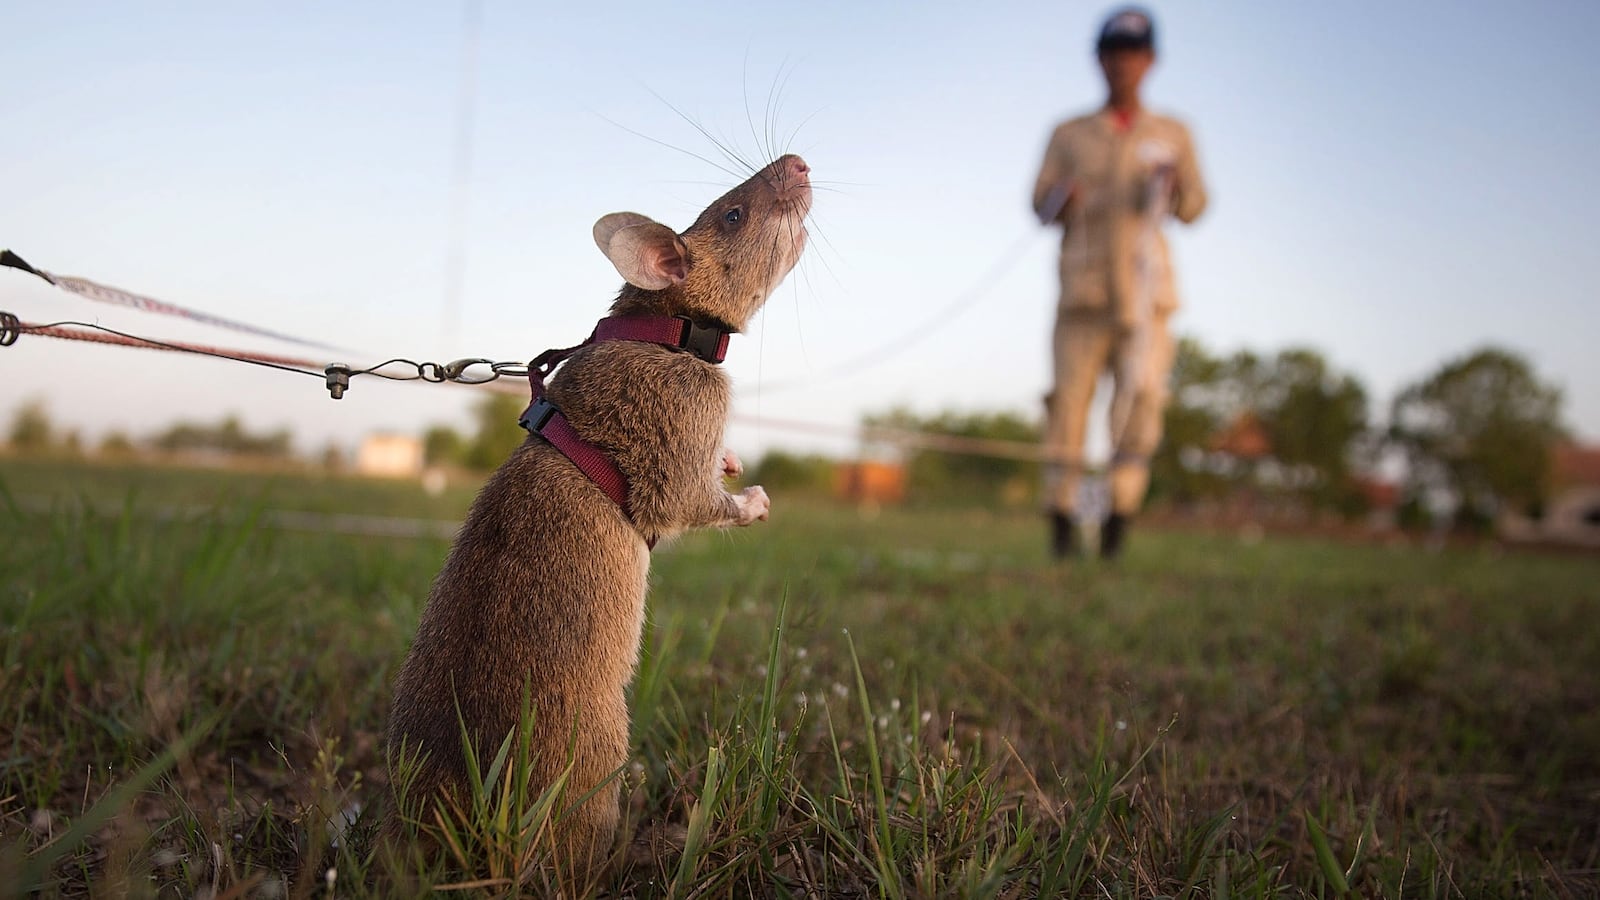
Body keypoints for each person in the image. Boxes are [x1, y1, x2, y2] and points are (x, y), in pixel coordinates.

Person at [1032, 6, 1207, 559]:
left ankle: (1117, 524)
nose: (1122, 64)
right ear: (1099, 59)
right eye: (1113, 53)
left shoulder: (1174, 133)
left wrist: (1175, 185)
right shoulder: (1068, 133)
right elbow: (1039, 204)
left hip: (1147, 298)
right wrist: (1064, 199)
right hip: (1082, 296)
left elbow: (1196, 205)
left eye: (1133, 53)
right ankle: (1062, 527)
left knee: (1141, 407)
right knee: (1068, 410)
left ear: (1149, 60)